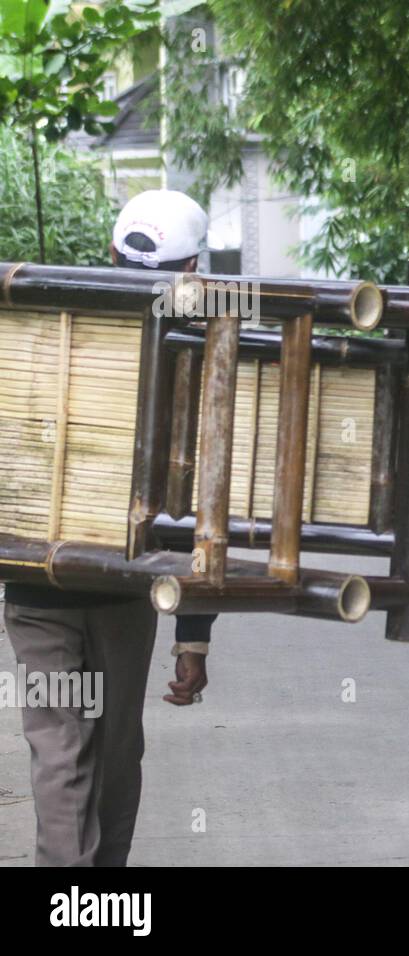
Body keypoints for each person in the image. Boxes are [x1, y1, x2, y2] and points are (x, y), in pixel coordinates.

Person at [2, 188, 215, 866]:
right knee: (116, 752)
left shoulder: (38, 329)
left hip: (34, 591)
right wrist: (193, 637)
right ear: (190, 273)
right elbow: (200, 510)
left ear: (110, 254)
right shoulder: (195, 356)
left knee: (60, 754)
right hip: (127, 595)